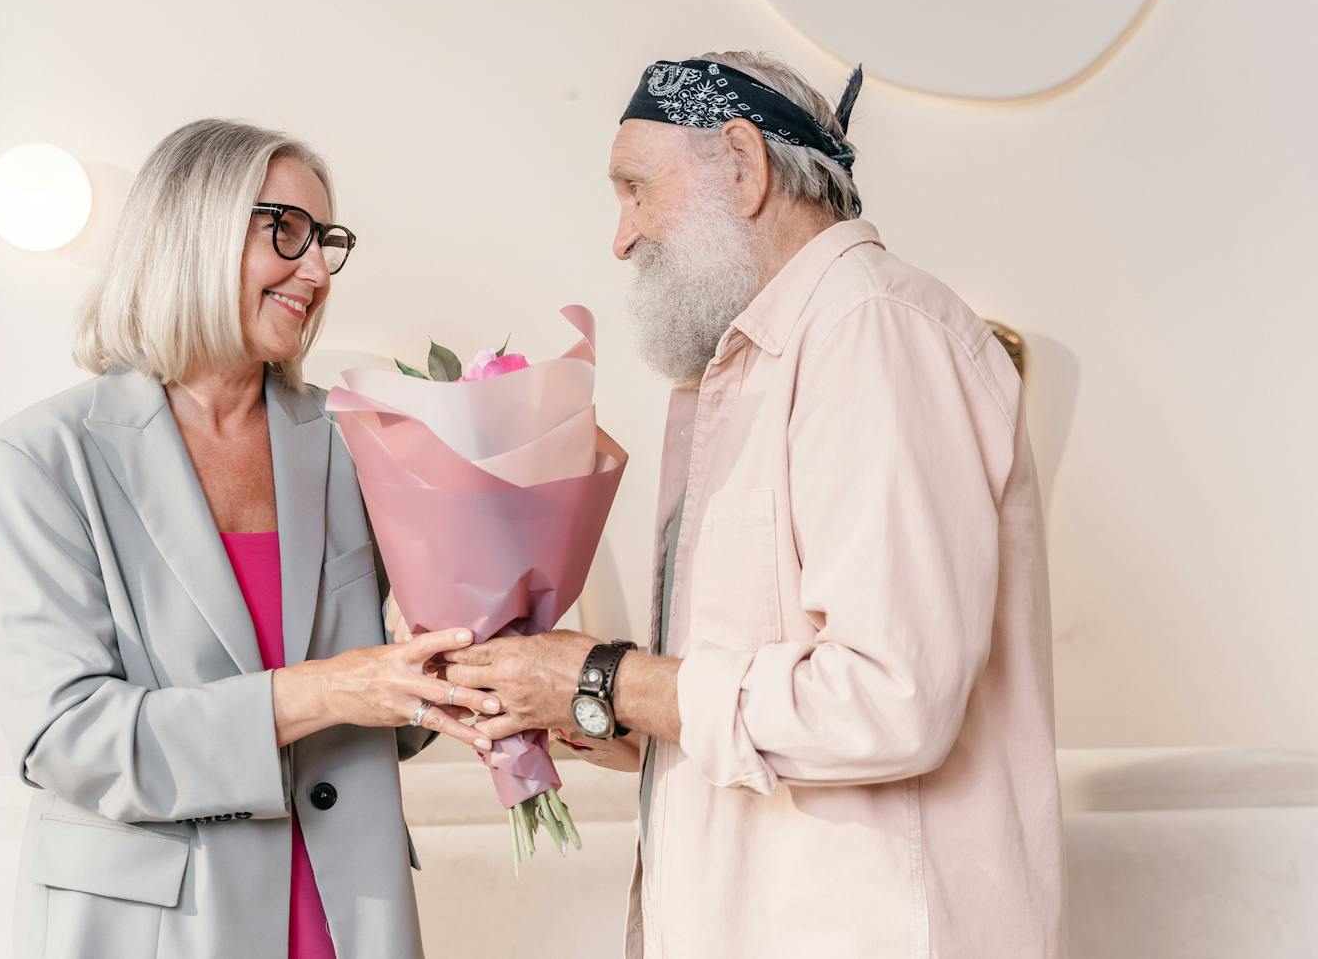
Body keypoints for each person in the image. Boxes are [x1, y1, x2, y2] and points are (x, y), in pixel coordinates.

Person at [442, 52, 1067, 957]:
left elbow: (888, 699)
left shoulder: (872, 332)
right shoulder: (746, 370)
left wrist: (604, 676)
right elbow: (732, 713)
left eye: (634, 190)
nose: (620, 237)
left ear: (743, 164)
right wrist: (565, 702)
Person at [0, 118, 497, 959]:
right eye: (284, 230)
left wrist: (448, 664)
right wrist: (325, 689)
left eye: (326, 241)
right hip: (149, 929)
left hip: (344, 913)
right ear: (192, 231)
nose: (316, 270)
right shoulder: (37, 459)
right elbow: (69, 738)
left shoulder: (357, 439)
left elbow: (390, 710)